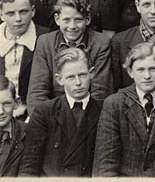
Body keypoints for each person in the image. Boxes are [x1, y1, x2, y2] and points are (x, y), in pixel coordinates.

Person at [93, 43, 155, 177]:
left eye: (153, 69)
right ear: (130, 72)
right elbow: (105, 164)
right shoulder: (115, 104)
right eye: (140, 69)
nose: (147, 76)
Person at [19, 48, 102, 177]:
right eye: (70, 77)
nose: (78, 82)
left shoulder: (104, 110)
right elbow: (30, 163)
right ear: (59, 79)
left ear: (91, 73)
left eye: (82, 75)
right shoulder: (45, 111)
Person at [27, 0, 112, 112]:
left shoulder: (100, 43)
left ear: (87, 19)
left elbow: (100, 92)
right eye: (66, 20)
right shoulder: (45, 42)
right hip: (54, 114)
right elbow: (38, 91)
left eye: (78, 20)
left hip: (89, 114)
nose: (72, 26)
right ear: (57, 19)